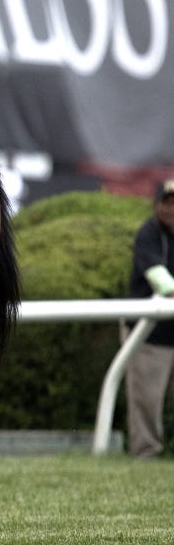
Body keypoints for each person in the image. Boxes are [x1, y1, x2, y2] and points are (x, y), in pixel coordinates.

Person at [125, 179, 174, 458]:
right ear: (155, 205)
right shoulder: (147, 233)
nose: (171, 209)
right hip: (147, 336)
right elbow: (161, 280)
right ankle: (146, 454)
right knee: (147, 401)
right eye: (167, 203)